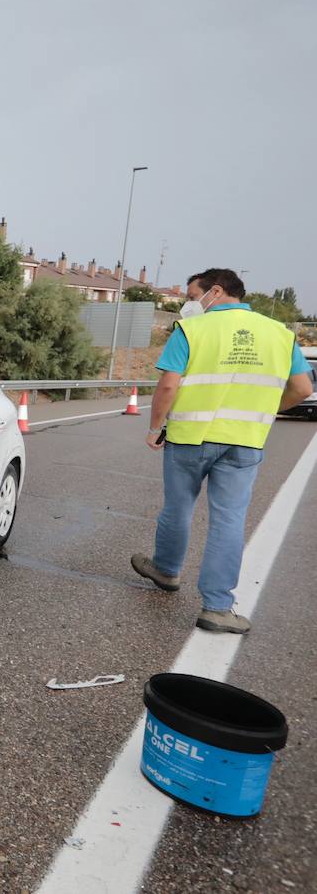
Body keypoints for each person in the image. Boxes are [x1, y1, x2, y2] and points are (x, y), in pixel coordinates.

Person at [131, 268, 313, 634]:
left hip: (190, 438)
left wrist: (155, 428)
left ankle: (166, 571)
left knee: (179, 507)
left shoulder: (192, 330)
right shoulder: (280, 333)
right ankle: (217, 608)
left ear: (216, 291)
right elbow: (303, 389)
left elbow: (169, 384)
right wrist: (267, 410)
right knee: (228, 520)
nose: (190, 303)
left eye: (193, 295)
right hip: (244, 439)